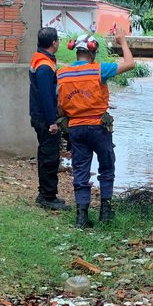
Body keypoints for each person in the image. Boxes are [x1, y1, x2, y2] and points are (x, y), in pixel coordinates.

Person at [56, 28, 135, 228]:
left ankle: (82, 216)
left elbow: (59, 105)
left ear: (76, 51)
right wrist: (122, 41)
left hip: (76, 128)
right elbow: (130, 63)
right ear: (92, 52)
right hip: (99, 127)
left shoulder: (62, 74)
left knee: (81, 169)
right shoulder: (99, 70)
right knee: (106, 167)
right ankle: (105, 212)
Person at [29, 27, 70, 210]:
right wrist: (52, 122)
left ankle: (46, 194)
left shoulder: (41, 59)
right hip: (45, 118)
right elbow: (46, 96)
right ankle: (47, 197)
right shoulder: (44, 66)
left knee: (47, 155)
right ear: (54, 43)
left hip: (40, 115)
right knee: (49, 157)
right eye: (58, 41)